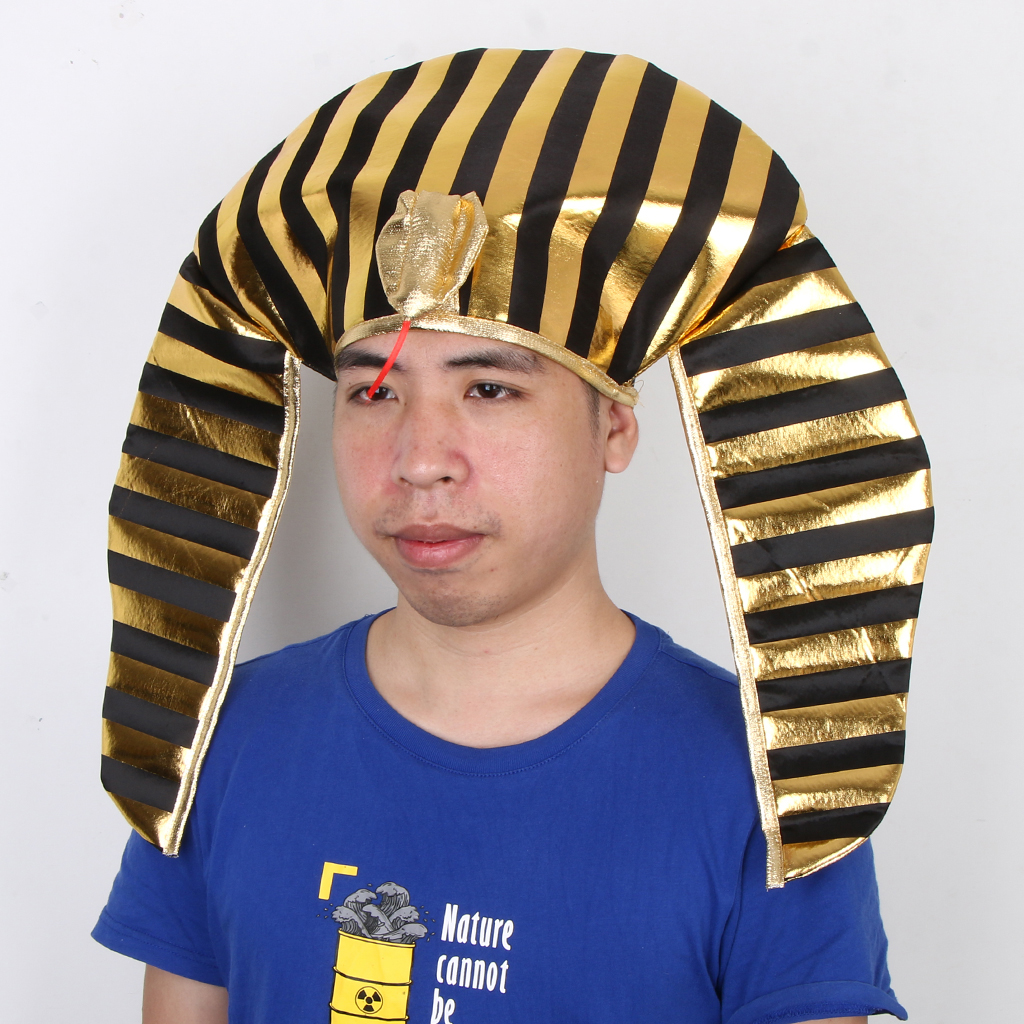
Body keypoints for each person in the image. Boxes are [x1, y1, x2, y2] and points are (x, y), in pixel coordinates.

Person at [93, 48, 931, 1024]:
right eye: (374, 392)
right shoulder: (220, 737)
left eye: (489, 388)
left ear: (613, 428)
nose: (420, 460)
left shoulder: (774, 792)